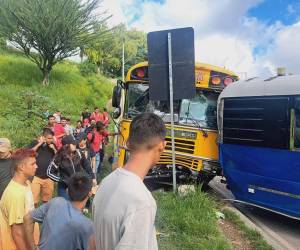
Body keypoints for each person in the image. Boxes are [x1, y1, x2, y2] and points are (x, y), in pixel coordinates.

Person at [92, 113, 166, 250]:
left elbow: (93, 241)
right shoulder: (142, 202)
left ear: (128, 142)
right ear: (162, 145)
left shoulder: (106, 182)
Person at [24, 172, 96, 250]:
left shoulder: (56, 202)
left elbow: (27, 218)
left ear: (67, 190)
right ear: (90, 193)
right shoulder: (88, 225)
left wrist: (32, 247)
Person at [0, 149, 37, 250]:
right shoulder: (15, 194)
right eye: (33, 164)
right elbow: (17, 233)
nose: (36, 166)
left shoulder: (26, 183)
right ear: (21, 167)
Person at [47, 135, 96, 199]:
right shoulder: (59, 157)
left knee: (76, 205)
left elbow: (87, 166)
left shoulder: (79, 153)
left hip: (77, 185)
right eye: (73, 143)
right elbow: (49, 172)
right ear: (66, 145)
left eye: (75, 143)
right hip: (64, 188)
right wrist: (62, 180)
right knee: (65, 205)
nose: (75, 144)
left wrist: (93, 177)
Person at [29, 128, 57, 208]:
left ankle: (44, 217)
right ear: (43, 137)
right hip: (36, 176)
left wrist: (54, 149)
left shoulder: (52, 145)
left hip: (48, 177)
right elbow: (29, 153)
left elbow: (58, 158)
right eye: (49, 138)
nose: (51, 140)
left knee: (47, 200)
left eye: (52, 138)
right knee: (34, 200)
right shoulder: (35, 143)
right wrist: (39, 144)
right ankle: (34, 218)